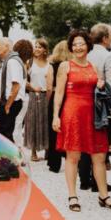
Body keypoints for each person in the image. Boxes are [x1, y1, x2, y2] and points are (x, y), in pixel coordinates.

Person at [53, 30, 111, 213]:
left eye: (81, 43)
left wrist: (101, 85)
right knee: (73, 157)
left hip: (94, 116)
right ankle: (72, 195)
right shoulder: (65, 66)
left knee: (99, 156)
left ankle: (104, 195)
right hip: (72, 114)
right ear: (70, 47)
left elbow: (103, 91)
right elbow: (59, 93)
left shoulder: (94, 67)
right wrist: (55, 116)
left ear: (88, 46)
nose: (78, 47)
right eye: (74, 44)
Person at [79, 23, 111, 192]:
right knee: (99, 142)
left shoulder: (85, 54)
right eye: (110, 36)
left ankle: (83, 180)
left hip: (83, 101)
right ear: (104, 38)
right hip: (100, 104)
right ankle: (97, 182)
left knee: (84, 141)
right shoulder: (108, 56)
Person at [0, 38, 26, 182]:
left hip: (11, 102)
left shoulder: (11, 61)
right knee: (6, 135)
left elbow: (16, 86)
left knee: (1, 137)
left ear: (7, 46)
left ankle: (4, 170)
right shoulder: (10, 61)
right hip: (9, 102)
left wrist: (8, 104)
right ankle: (12, 169)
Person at [24, 39, 53, 162]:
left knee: (46, 122)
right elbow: (24, 81)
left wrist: (48, 98)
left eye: (40, 47)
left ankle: (47, 149)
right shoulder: (29, 63)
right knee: (32, 122)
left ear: (45, 50)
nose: (36, 48)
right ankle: (33, 151)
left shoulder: (49, 65)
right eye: (35, 46)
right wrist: (33, 88)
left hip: (46, 96)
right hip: (32, 95)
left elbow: (50, 85)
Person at [46, 40, 71, 173]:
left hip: (56, 95)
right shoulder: (71, 65)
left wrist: (49, 101)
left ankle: (54, 163)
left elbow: (49, 86)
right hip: (69, 97)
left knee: (53, 131)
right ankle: (70, 158)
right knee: (68, 129)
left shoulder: (53, 65)